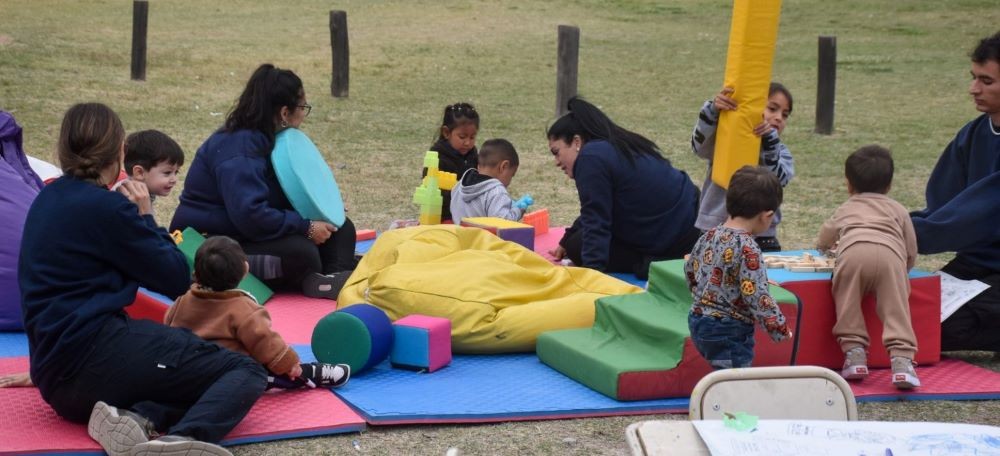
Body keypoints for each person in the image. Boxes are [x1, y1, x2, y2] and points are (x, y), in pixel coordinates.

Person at [18, 102, 265, 456]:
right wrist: (146, 215)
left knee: (192, 367)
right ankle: (177, 440)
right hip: (94, 362)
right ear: (119, 151)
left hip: (54, 378)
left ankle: (136, 417)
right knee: (243, 370)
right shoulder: (109, 209)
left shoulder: (47, 197)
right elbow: (176, 276)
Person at [170, 64, 357, 300]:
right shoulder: (239, 149)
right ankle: (314, 277)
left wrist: (321, 210)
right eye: (302, 108)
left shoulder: (268, 139)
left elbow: (275, 196)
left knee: (342, 228)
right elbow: (250, 215)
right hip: (207, 241)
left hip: (246, 232)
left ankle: (330, 278)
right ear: (284, 113)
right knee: (302, 253)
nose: (303, 115)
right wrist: (305, 227)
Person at [911, 31, 1000, 353]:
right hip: (976, 265)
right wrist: (883, 223)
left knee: (937, 326)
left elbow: (976, 215)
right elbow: (942, 209)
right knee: (904, 311)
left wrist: (901, 231)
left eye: (986, 81)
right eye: (974, 78)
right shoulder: (973, 133)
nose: (973, 89)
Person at [165, 235, 351, 390]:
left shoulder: (183, 300)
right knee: (281, 372)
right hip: (226, 372)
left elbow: (169, 327)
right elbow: (266, 342)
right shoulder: (243, 308)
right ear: (246, 269)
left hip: (188, 369)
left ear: (196, 272)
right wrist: (289, 363)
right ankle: (312, 373)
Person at [547, 96, 701, 279]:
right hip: (692, 220)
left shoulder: (590, 159)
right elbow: (597, 206)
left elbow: (596, 220)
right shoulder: (613, 146)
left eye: (556, 152)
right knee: (575, 240)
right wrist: (566, 239)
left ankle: (653, 263)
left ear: (577, 142)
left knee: (578, 246)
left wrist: (591, 275)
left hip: (674, 239)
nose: (557, 162)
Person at [817, 145, 920, 389]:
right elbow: (911, 247)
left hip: (853, 254)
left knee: (847, 300)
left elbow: (826, 235)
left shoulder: (847, 207)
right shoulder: (898, 209)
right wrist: (904, 270)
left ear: (849, 184)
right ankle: (902, 361)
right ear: (889, 185)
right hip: (890, 257)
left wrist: (824, 248)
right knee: (896, 308)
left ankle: (854, 353)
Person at [684, 166, 792, 369]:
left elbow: (690, 269)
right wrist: (778, 327)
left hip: (698, 321)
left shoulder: (709, 235)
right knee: (735, 379)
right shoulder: (748, 248)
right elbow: (757, 295)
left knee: (721, 373)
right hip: (729, 328)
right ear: (767, 216)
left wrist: (701, 297)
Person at [690, 83, 795, 252]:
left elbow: (778, 180)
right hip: (715, 229)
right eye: (772, 108)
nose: (778, 118)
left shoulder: (781, 152)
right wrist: (713, 111)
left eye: (785, 114)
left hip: (762, 237)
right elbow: (699, 148)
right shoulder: (725, 142)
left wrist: (769, 143)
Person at [450, 138, 533, 223]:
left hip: (458, 231)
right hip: (483, 232)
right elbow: (503, 223)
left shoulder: (459, 186)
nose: (510, 182)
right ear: (503, 166)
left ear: (479, 165)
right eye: (511, 175)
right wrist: (518, 210)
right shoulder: (497, 192)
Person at [426, 102, 480, 222]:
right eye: (462, 137)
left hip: (468, 215)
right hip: (442, 217)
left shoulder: (473, 154)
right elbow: (431, 191)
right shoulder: (437, 157)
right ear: (446, 133)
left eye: (472, 137)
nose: (468, 142)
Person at [124, 129, 184, 205]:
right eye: (167, 172)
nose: (174, 180)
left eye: (176, 172)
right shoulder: (127, 204)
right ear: (139, 173)